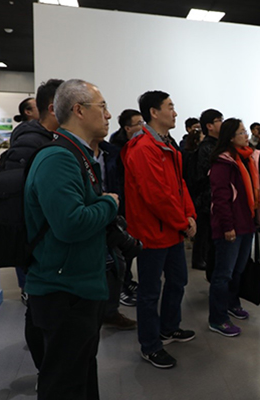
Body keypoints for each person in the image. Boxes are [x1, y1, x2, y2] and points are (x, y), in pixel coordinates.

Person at [24, 79, 120, 400]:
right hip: (63, 293)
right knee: (64, 385)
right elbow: (70, 224)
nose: (108, 115)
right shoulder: (59, 158)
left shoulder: (78, 154)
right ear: (78, 110)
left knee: (80, 377)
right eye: (102, 107)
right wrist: (110, 203)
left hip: (78, 289)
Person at [121, 91, 197, 369]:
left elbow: (179, 185)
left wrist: (189, 214)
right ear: (154, 112)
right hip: (152, 233)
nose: (175, 112)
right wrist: (183, 223)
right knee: (150, 292)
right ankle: (150, 345)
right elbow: (156, 196)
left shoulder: (166, 144)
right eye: (170, 107)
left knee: (178, 280)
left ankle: (169, 328)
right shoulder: (143, 148)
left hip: (171, 229)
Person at [0, 78, 64, 381]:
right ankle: (46, 374)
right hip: (37, 244)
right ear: (53, 107)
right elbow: (21, 200)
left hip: (45, 242)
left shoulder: (46, 139)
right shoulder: (31, 142)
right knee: (38, 310)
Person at [208, 118, 260, 337]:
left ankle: (232, 303)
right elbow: (220, 198)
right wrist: (228, 226)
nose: (246, 135)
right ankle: (217, 319)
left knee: (238, 269)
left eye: (245, 131)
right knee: (223, 274)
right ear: (230, 137)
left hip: (246, 223)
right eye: (241, 132)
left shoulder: (246, 158)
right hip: (230, 226)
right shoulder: (223, 163)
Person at [95, 137, 138, 331]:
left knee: (118, 263)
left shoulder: (110, 152)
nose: (106, 121)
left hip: (112, 215)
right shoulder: (67, 153)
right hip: (93, 217)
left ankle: (110, 311)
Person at [109, 109, 144, 307]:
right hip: (122, 204)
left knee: (130, 247)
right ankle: (121, 288)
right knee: (123, 249)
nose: (142, 127)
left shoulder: (137, 145)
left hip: (132, 204)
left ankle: (127, 281)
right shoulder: (117, 149)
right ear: (127, 128)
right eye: (138, 123)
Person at [192, 109, 224, 272]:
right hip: (206, 197)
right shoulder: (207, 147)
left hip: (212, 196)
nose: (222, 123)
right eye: (219, 120)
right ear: (209, 126)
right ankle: (200, 259)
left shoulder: (217, 145)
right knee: (205, 232)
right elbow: (207, 173)